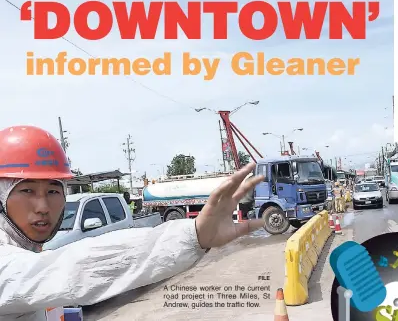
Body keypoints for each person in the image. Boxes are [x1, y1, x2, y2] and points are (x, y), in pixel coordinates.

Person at [0, 126, 265, 321]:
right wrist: (192, 235)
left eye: (53, 191)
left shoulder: (27, 247)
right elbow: (67, 270)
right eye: (27, 191)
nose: (43, 207)